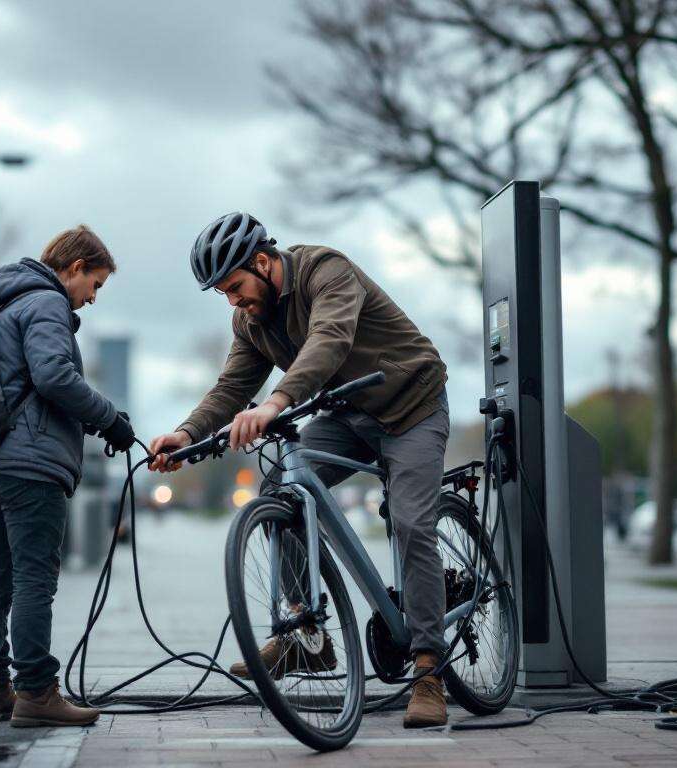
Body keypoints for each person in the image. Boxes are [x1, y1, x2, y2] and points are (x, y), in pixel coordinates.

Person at [148, 212, 452, 728]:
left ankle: (428, 671)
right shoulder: (249, 321)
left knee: (410, 522)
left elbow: (329, 339)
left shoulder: (325, 270)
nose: (233, 301)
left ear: (264, 263)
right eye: (222, 294)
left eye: (236, 287)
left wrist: (279, 401)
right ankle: (306, 636)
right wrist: (186, 433)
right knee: (280, 492)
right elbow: (231, 387)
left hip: (412, 405)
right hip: (350, 415)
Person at [0, 225, 135, 728]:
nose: (93, 299)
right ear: (76, 267)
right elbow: (54, 375)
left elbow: (27, 382)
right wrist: (110, 418)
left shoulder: (1, 305)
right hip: (31, 468)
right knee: (34, 580)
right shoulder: (46, 302)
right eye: (96, 285)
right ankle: (36, 692)